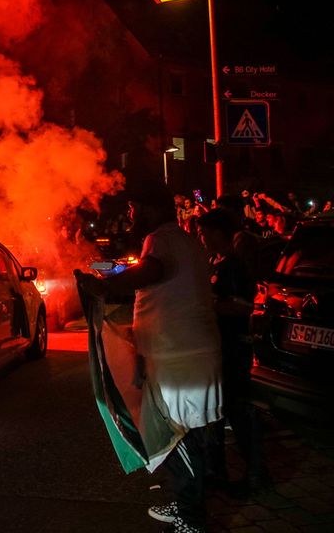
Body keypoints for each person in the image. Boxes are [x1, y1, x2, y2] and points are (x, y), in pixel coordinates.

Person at [78, 181, 222, 533]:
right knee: (191, 434)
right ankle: (188, 504)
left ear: (152, 209)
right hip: (191, 354)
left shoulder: (161, 239)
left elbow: (153, 271)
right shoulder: (186, 239)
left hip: (179, 360)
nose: (130, 216)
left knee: (177, 437)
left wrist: (107, 286)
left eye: (133, 209)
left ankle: (192, 520)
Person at [196, 210, 270, 494]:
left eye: (204, 233)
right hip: (216, 348)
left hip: (233, 348)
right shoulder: (215, 263)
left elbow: (242, 306)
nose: (201, 238)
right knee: (215, 412)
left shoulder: (234, 267)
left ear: (217, 234)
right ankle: (216, 472)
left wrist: (206, 306)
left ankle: (257, 475)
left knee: (237, 412)